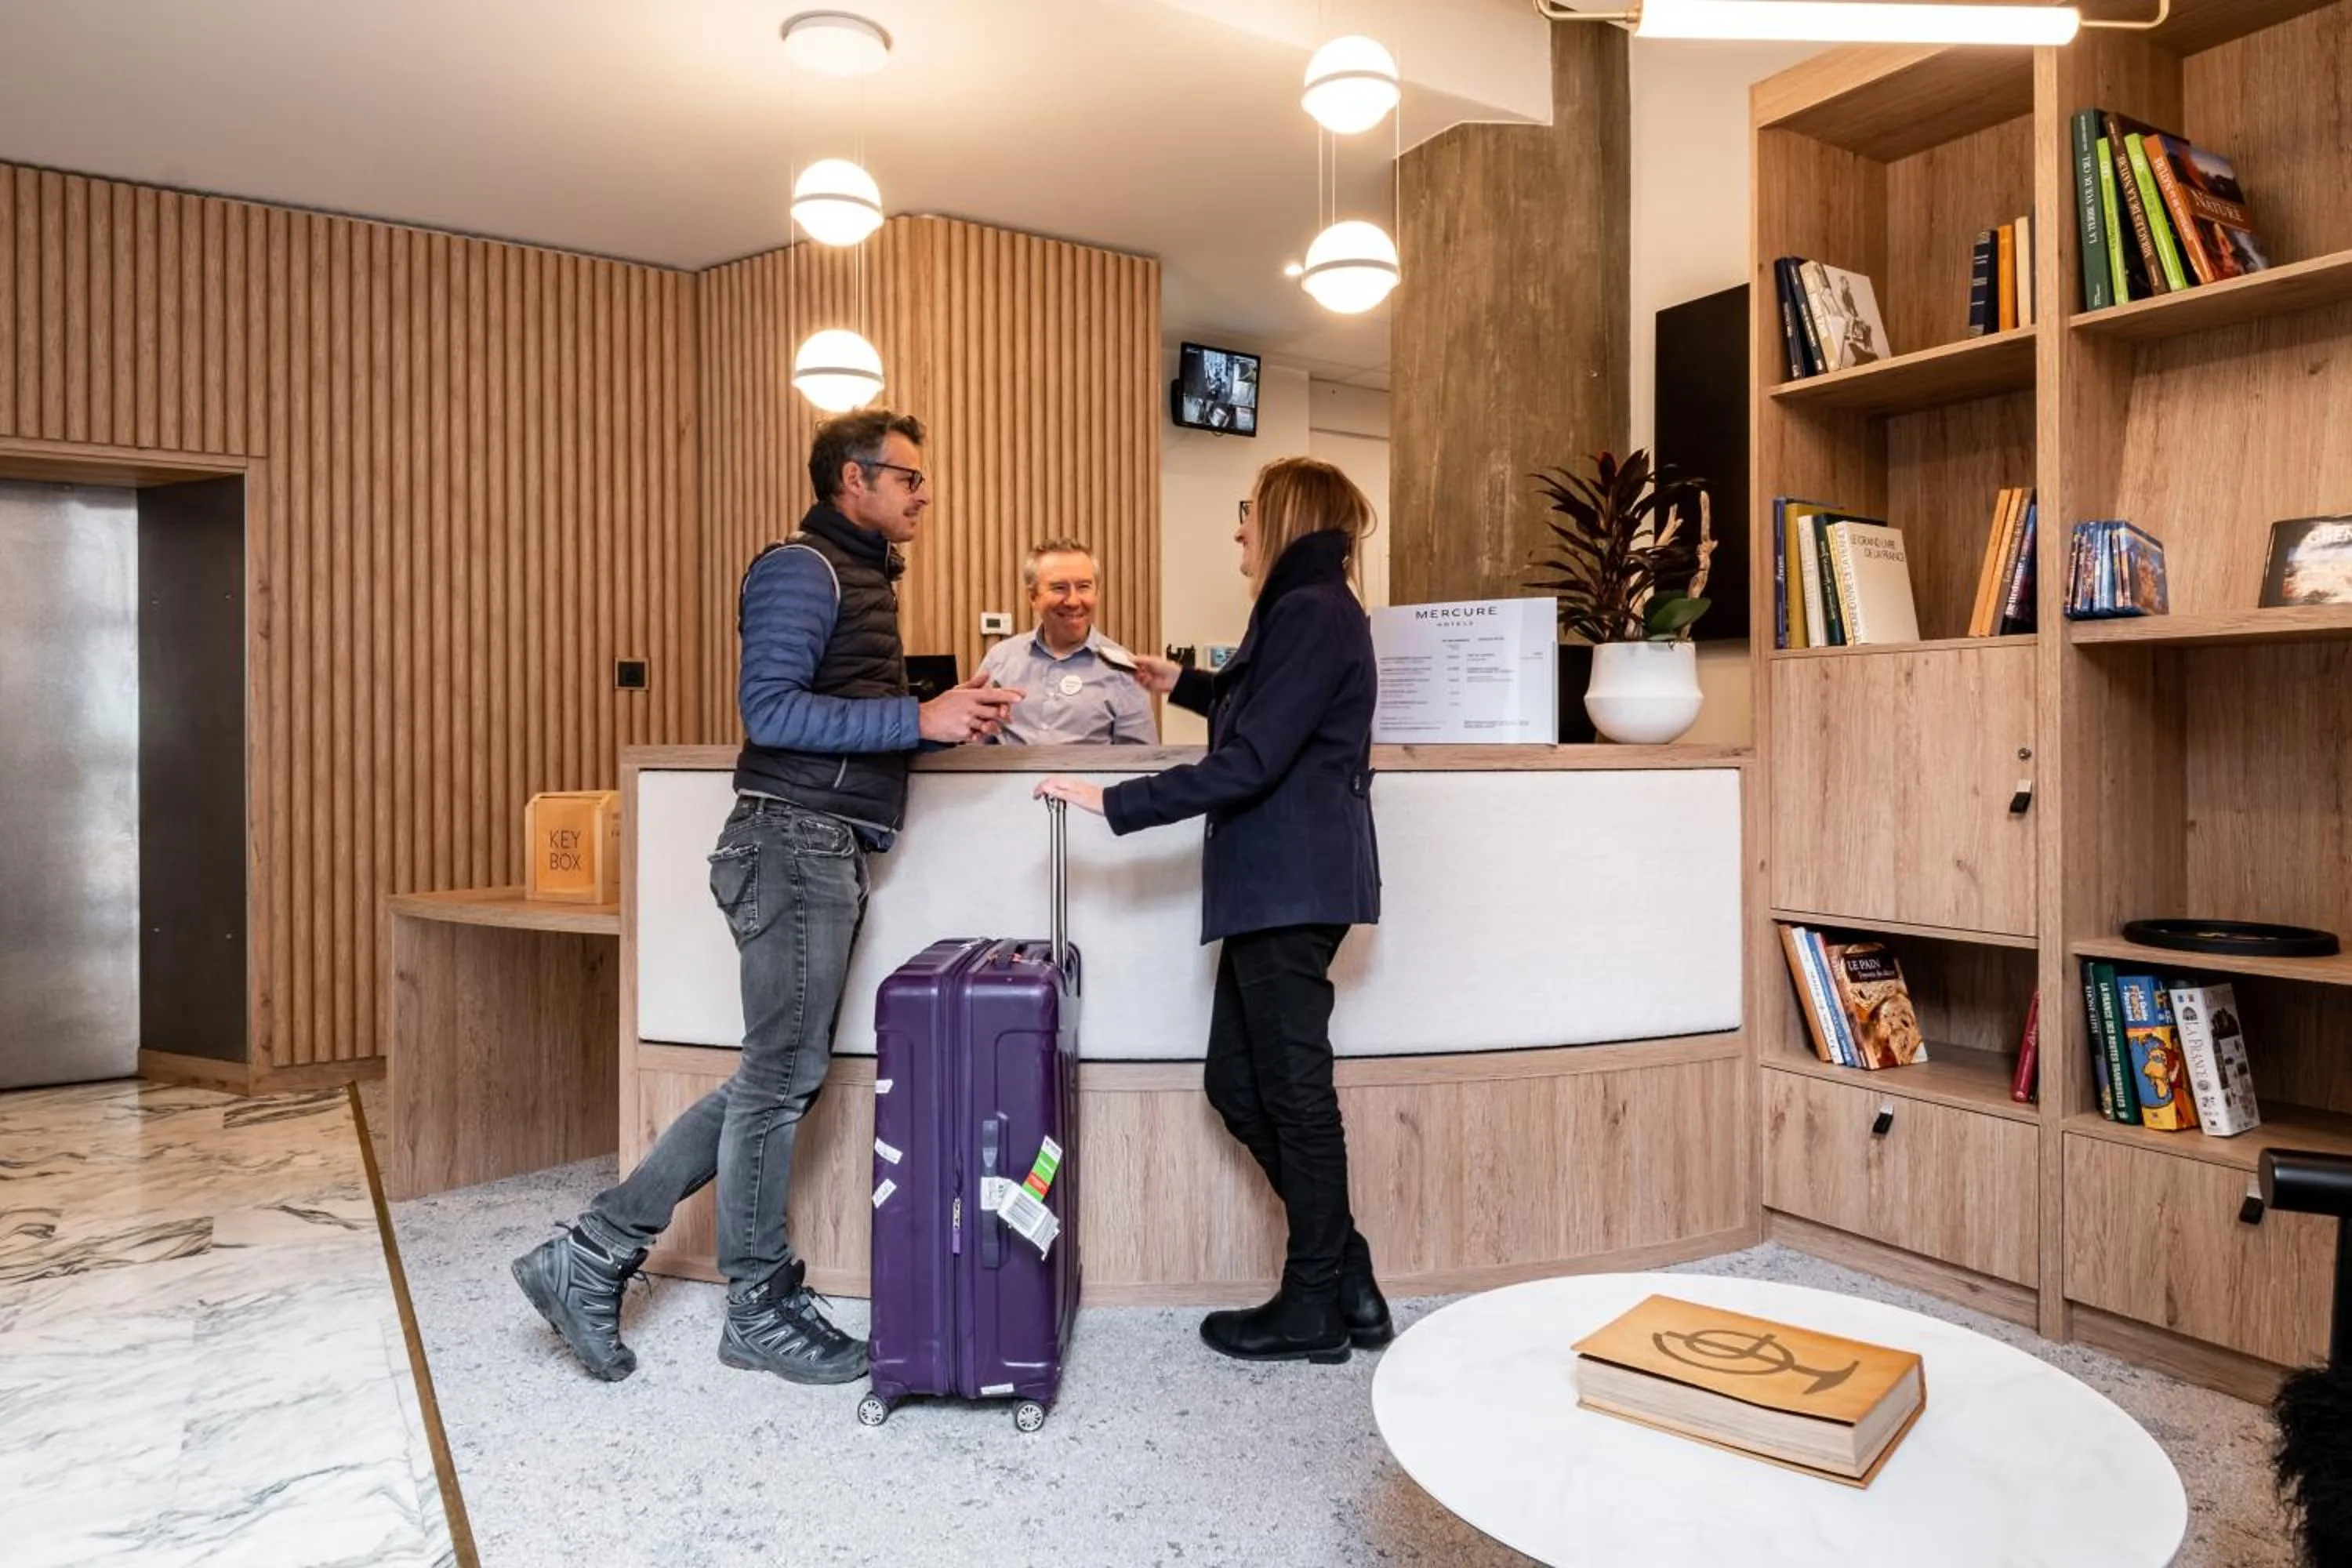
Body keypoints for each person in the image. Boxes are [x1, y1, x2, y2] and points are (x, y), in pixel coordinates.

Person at [512, 408, 1021, 1385]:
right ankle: (753, 1303)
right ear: (853, 482)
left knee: (773, 1076)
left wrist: (940, 724)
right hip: (790, 840)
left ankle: (591, 1253)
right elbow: (772, 709)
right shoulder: (802, 566)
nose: (925, 493)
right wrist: (918, 711)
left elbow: (831, 711)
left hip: (816, 841)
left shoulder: (861, 574)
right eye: (909, 477)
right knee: (778, 1079)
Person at [1035, 456, 1385, 1364]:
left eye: (1246, 514)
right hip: (1281, 880)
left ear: (1283, 516)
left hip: (1291, 879)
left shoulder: (1310, 609)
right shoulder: (1307, 607)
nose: (1237, 531)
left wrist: (1115, 803)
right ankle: (1344, 1272)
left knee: (1297, 1097)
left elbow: (1256, 758)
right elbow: (1263, 708)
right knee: (1240, 1082)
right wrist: (1180, 681)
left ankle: (1316, 1300)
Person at [975, 538, 1157, 746]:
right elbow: (976, 745)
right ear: (1033, 597)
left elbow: (1140, 761)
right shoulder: (1000, 659)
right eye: (1059, 587)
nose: (1072, 601)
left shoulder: (1125, 671)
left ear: (1097, 593)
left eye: (1084, 587)